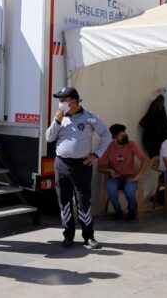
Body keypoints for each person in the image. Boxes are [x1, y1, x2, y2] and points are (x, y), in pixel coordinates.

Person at [46, 86, 111, 249]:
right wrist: (56, 121)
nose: (60, 103)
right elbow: (49, 138)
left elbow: (106, 134)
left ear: (73, 101)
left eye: (63, 100)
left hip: (82, 165)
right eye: (59, 100)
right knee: (64, 201)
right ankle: (68, 235)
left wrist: (96, 155)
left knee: (83, 201)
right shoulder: (60, 118)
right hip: (61, 164)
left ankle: (88, 236)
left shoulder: (90, 117)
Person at [98, 123, 150, 221]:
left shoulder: (131, 144)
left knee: (129, 189)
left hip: (130, 175)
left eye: (125, 134)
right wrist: (109, 170)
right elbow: (99, 168)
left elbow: (146, 159)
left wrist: (138, 175)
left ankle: (131, 210)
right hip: (116, 177)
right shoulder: (108, 148)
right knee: (110, 187)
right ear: (114, 138)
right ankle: (118, 211)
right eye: (122, 136)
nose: (126, 136)